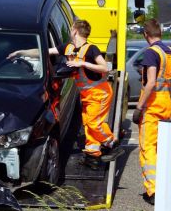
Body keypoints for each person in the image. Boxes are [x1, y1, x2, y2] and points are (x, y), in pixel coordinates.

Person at [8, 20, 123, 169]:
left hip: (100, 93)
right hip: (87, 95)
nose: (70, 32)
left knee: (94, 123)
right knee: (88, 125)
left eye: (70, 29)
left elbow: (105, 68)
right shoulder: (68, 48)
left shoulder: (91, 49)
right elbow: (44, 52)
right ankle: (92, 156)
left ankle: (112, 144)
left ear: (75, 31)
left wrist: (83, 64)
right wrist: (21, 52)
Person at [132, 19, 171, 205]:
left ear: (145, 35)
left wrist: (138, 107)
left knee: (147, 148)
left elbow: (150, 83)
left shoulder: (151, 53)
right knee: (160, 148)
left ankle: (153, 190)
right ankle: (162, 185)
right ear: (161, 33)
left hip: (151, 106)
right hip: (166, 104)